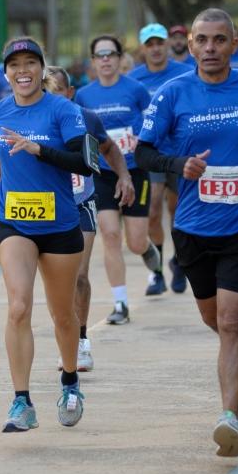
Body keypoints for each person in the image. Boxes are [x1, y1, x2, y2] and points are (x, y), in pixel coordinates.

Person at [135, 8, 238, 458]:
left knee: (230, 318)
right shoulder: (172, 94)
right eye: (202, 41)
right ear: (189, 47)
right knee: (215, 319)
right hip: (193, 225)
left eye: (219, 40)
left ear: (234, 43)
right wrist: (177, 166)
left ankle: (230, 418)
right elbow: (144, 152)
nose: (210, 49)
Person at [0, 36, 98, 433]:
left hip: (60, 225)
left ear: (42, 69)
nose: (22, 71)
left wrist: (39, 150)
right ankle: (21, 402)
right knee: (19, 307)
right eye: (14, 65)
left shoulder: (63, 110)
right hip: (14, 222)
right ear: (5, 73)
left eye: (30, 63)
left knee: (63, 316)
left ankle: (70, 383)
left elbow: (86, 162)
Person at [48, 65, 134, 371]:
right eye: (46, 91)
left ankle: (81, 342)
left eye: (56, 90)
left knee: (78, 275)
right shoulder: (31, 118)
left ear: (69, 93)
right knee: (56, 283)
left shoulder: (86, 117)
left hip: (81, 202)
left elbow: (110, 149)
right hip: (47, 206)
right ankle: (67, 338)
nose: (50, 97)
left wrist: (124, 176)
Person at [75, 35, 161, 325]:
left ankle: (146, 249)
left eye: (111, 54)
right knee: (109, 234)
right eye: (100, 55)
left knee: (134, 241)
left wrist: (142, 139)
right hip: (102, 173)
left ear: (120, 58)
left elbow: (151, 124)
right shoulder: (84, 96)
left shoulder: (136, 90)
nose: (106, 59)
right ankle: (120, 303)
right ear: (93, 61)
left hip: (134, 170)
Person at [129, 23, 193, 295]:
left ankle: (179, 262)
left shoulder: (185, 73)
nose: (155, 49)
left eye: (159, 43)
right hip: (151, 152)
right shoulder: (134, 79)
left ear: (167, 44)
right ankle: (156, 273)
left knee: (177, 211)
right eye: (150, 44)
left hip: (179, 152)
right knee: (153, 210)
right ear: (143, 49)